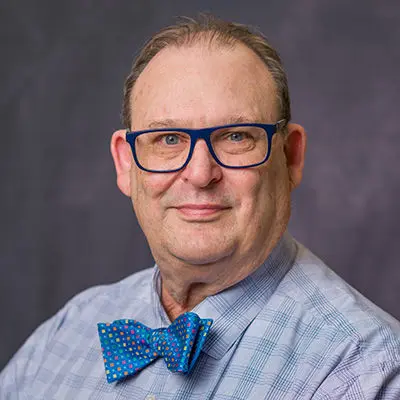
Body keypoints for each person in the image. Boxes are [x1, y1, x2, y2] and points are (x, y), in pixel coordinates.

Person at [1, 14, 400, 400]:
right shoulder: (65, 335)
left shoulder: (367, 373)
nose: (199, 174)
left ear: (290, 157)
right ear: (125, 164)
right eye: (168, 139)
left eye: (236, 136)